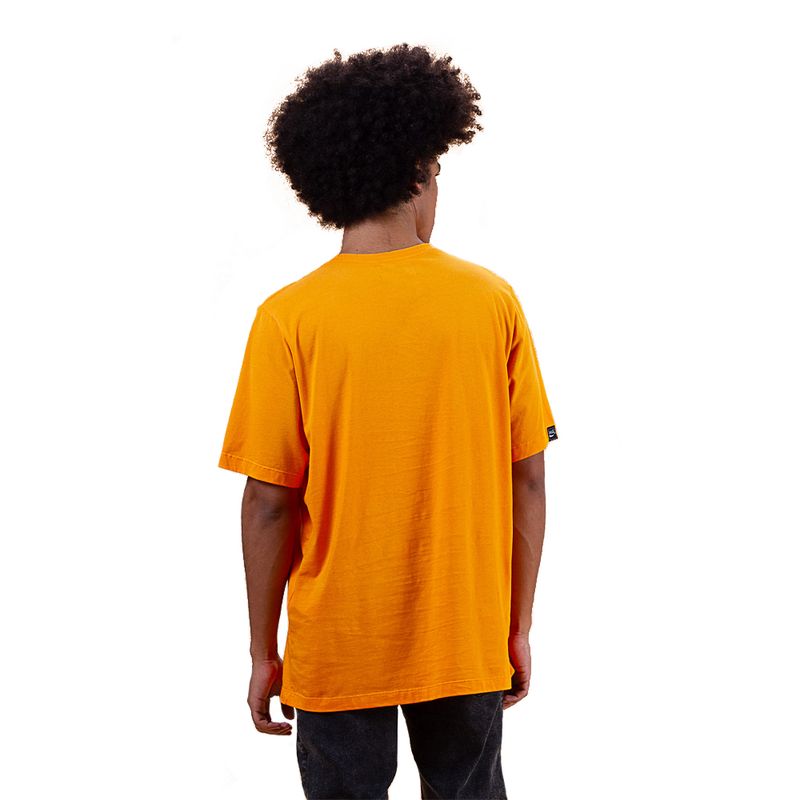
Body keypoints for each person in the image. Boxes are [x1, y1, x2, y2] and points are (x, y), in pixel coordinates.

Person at [218, 42, 558, 800]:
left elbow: (268, 500)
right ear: (421, 172)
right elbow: (528, 480)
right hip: (463, 636)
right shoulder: (491, 303)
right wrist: (517, 627)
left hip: (338, 643)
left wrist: (263, 652)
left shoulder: (288, 318)